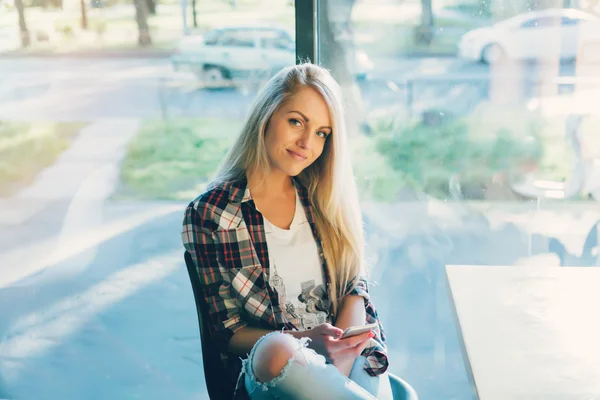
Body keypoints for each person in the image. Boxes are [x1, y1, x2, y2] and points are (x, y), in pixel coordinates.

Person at [182, 63, 393, 399]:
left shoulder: (322, 197)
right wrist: (309, 341)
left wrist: (343, 347)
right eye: (297, 121)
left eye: (322, 133)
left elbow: (354, 285)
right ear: (267, 116)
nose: (307, 143)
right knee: (276, 346)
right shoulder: (211, 213)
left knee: (361, 354)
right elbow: (227, 332)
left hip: (346, 358)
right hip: (274, 369)